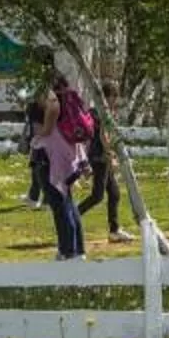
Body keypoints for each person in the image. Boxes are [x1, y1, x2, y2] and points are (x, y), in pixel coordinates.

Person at [66, 82, 131, 243]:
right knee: (97, 196)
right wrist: (111, 155)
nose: (115, 101)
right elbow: (103, 136)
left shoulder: (99, 112)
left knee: (114, 194)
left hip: (102, 156)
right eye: (114, 97)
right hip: (99, 158)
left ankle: (114, 230)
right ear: (109, 97)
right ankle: (71, 218)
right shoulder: (100, 113)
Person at [34, 84, 86, 260]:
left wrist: (43, 130)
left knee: (59, 205)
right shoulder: (65, 93)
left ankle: (67, 250)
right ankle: (77, 249)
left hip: (50, 154)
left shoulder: (50, 93)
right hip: (65, 153)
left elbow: (52, 109)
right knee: (68, 203)